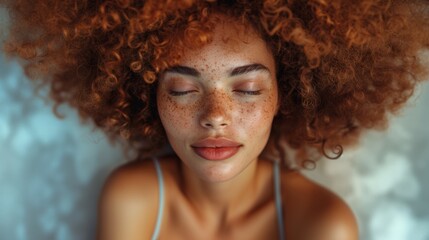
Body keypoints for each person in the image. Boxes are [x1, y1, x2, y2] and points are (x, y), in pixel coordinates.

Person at [1, 0, 428, 239]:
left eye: (247, 90)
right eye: (184, 91)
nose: (215, 119)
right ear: (149, 96)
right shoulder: (132, 198)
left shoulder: (322, 224)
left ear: (285, 94)